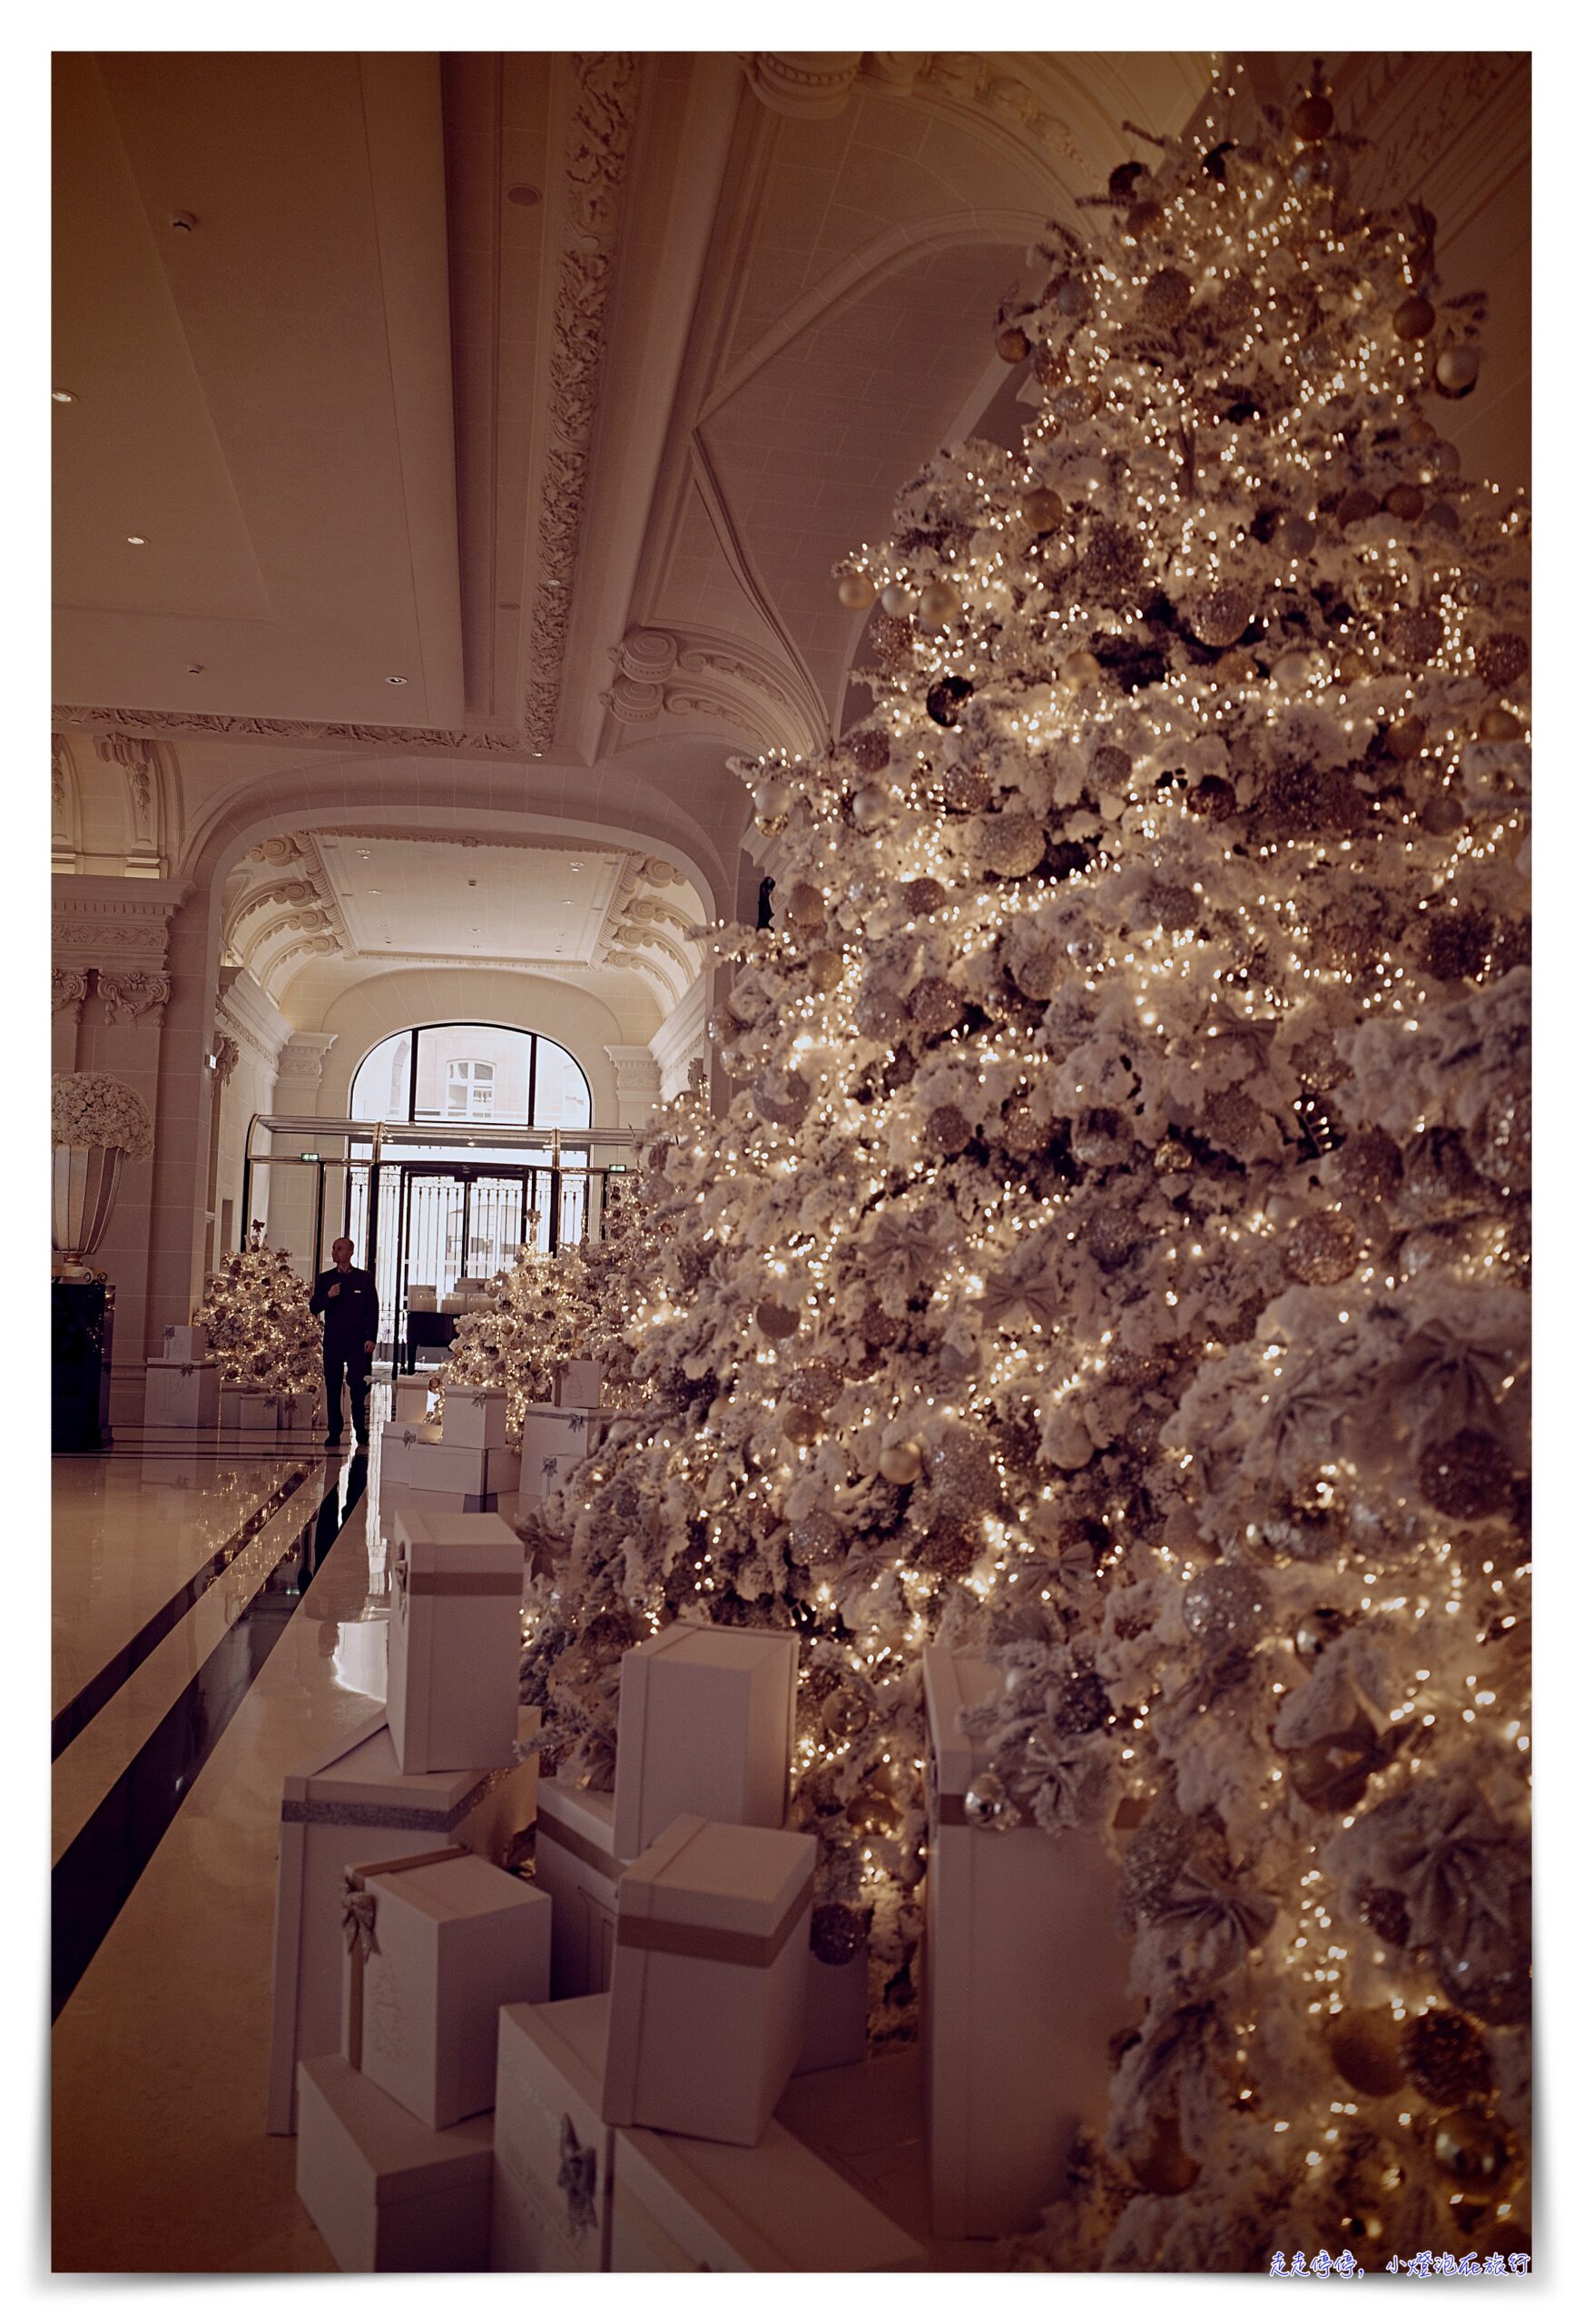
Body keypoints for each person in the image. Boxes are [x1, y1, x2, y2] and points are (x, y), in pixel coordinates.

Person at [309, 1237, 379, 1448]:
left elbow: (372, 1309)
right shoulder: (325, 1279)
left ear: (350, 1252)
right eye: (333, 1248)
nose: (334, 1252)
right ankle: (334, 1432)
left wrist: (371, 1337)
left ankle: (360, 1428)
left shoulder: (364, 1278)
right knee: (332, 1386)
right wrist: (328, 1296)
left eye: (339, 1249)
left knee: (357, 1387)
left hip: (357, 1342)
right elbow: (313, 1307)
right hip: (333, 1341)